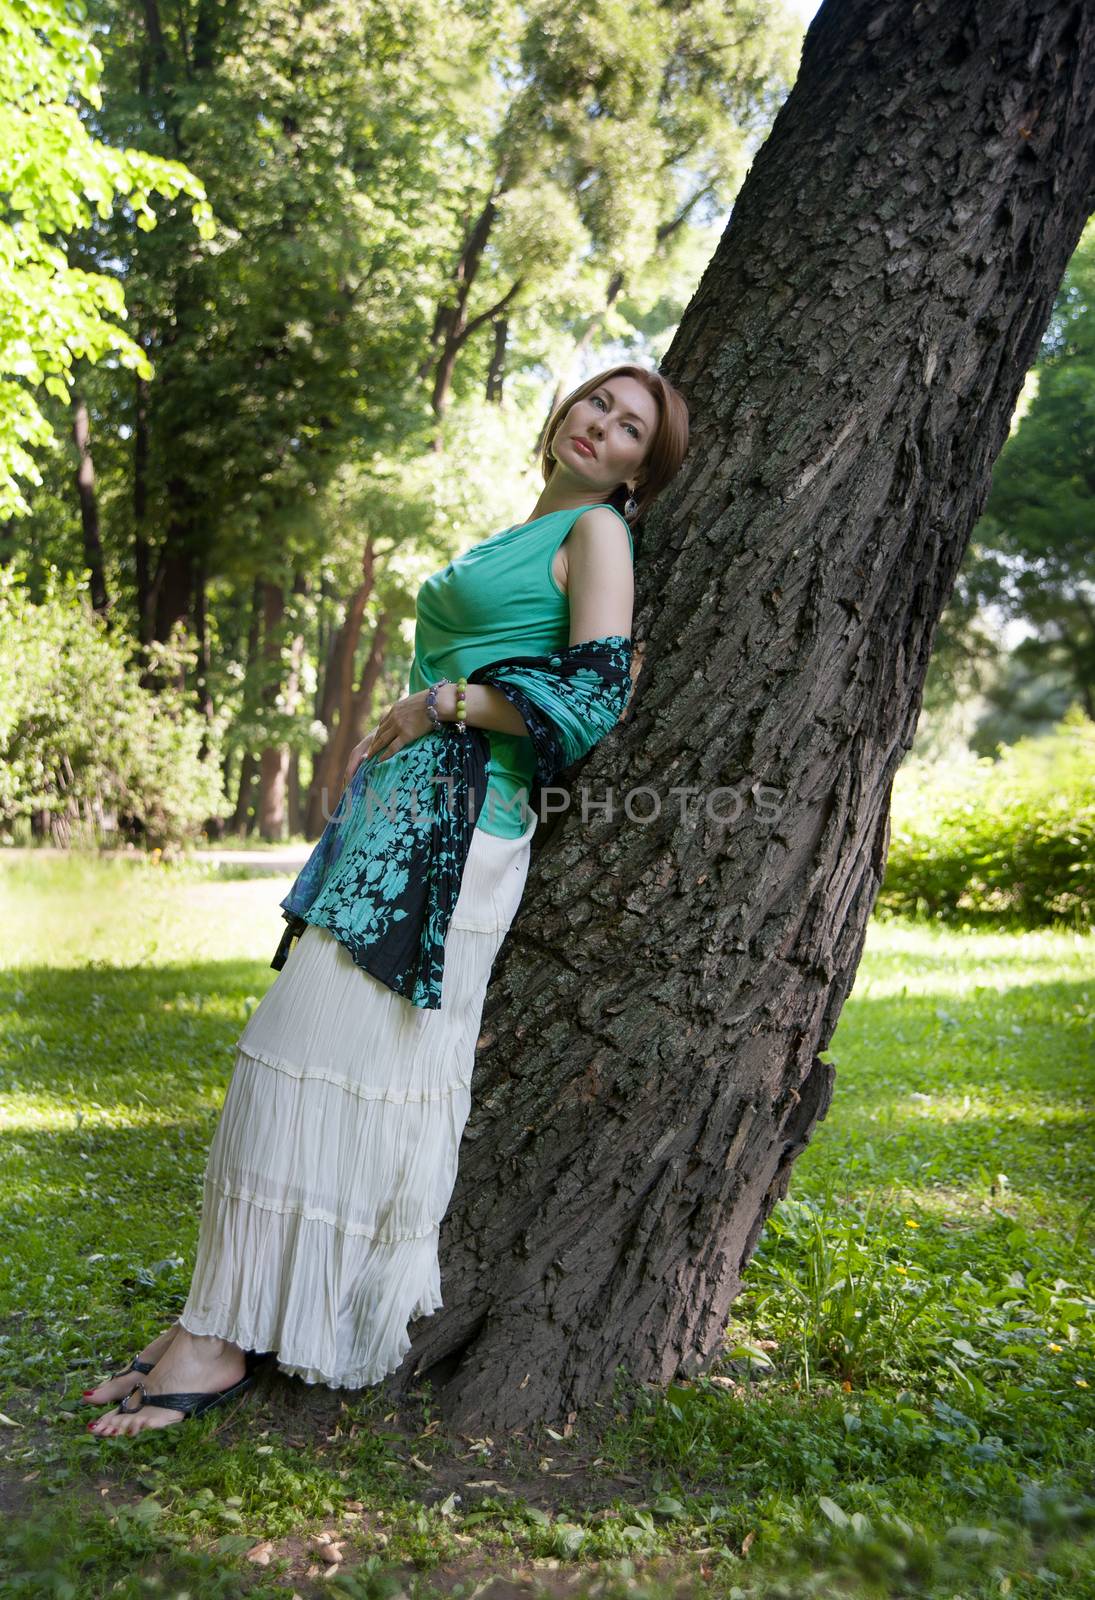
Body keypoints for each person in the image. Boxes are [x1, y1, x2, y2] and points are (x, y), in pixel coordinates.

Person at [83, 363, 689, 1436]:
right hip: (396, 824)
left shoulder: (600, 536)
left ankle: (225, 1340)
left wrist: (437, 700)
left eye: (631, 425)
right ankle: (212, 1319)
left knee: (317, 1062)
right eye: (598, 400)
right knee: (298, 1066)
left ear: (643, 466)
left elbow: (597, 689)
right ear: (564, 411)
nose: (604, 424)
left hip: (460, 839)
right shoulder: (530, 524)